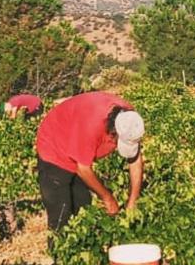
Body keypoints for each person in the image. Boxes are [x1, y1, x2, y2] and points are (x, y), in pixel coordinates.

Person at [34, 91, 145, 232]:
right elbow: (83, 169)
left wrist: (132, 202)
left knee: (83, 208)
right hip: (54, 146)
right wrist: (108, 198)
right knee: (61, 213)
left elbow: (135, 160)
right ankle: (58, 251)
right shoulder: (91, 124)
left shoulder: (130, 121)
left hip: (78, 144)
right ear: (113, 131)